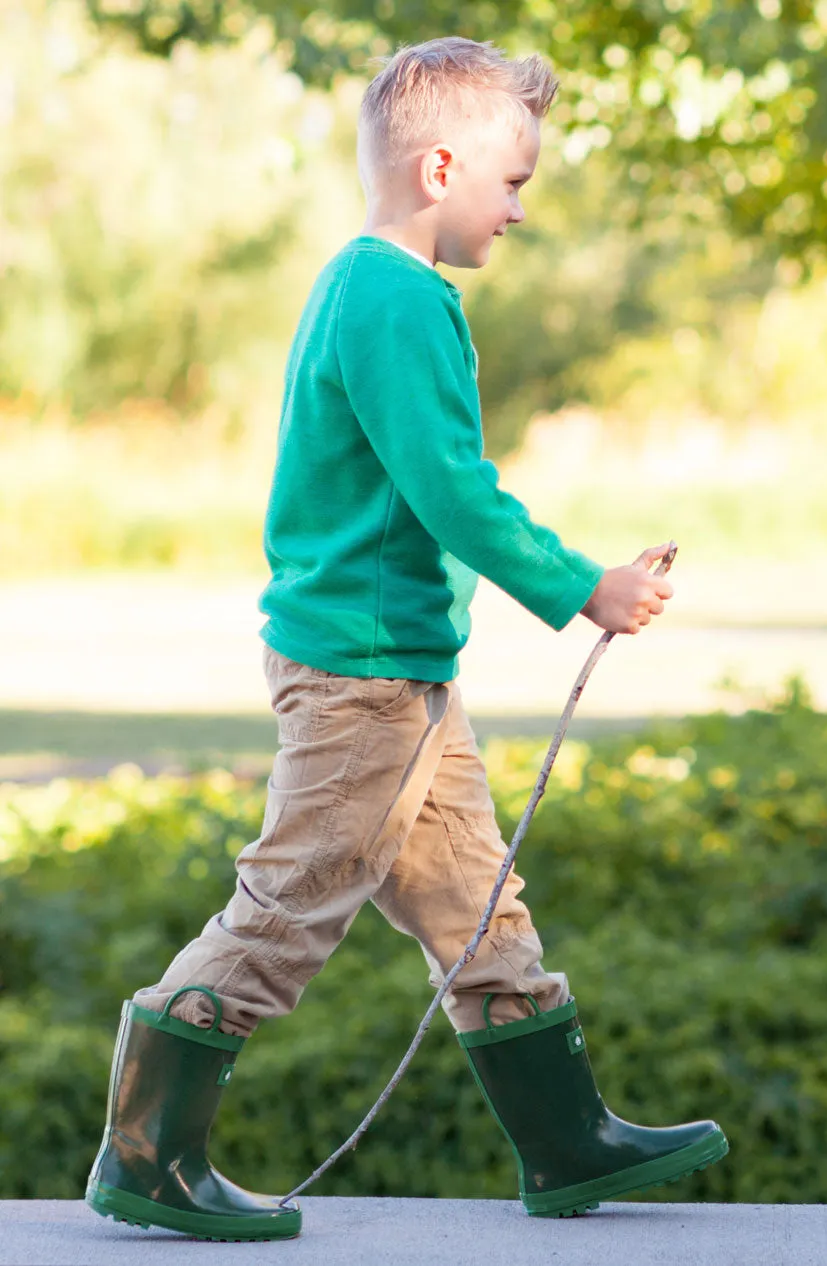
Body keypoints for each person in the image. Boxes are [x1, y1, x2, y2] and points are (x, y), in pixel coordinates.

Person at [85, 37, 727, 1242]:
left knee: (479, 905)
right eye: (514, 182)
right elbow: (449, 486)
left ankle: (564, 1142)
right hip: (362, 683)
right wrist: (582, 586)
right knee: (288, 905)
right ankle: (146, 1155)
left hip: (403, 675)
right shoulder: (397, 298)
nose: (521, 210)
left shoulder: (358, 284)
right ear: (442, 168)